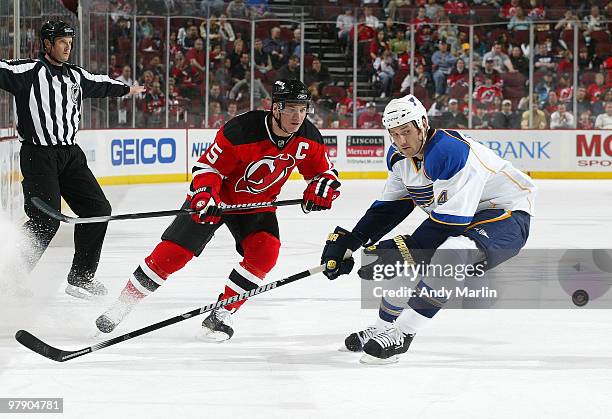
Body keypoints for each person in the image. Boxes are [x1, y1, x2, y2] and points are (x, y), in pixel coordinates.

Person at [96, 79, 340, 340]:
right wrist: (204, 195)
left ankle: (221, 314)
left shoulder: (308, 138)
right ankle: (122, 305)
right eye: (291, 108)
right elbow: (208, 168)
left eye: (302, 109)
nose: (297, 116)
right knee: (172, 254)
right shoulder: (241, 130)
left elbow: (324, 173)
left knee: (265, 252)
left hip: (256, 206)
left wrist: (322, 187)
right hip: (216, 200)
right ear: (275, 108)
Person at [319, 94, 536, 364]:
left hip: (507, 214)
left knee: (450, 252)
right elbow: (390, 207)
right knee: (411, 255)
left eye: (406, 132)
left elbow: (451, 222)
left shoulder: (449, 151)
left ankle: (403, 333)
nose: (401, 142)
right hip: (464, 215)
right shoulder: (398, 158)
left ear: (423, 123)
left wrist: (403, 249)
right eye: (394, 134)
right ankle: (382, 327)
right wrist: (351, 242)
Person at [0, 20, 145, 299]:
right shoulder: (29, 72)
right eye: (62, 43)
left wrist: (127, 90)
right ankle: (8, 277)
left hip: (70, 156)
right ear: (46, 45)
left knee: (98, 208)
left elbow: (102, 84)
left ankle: (81, 277)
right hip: (39, 155)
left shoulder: (75, 76)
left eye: (70, 42)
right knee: (45, 221)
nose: (68, 48)